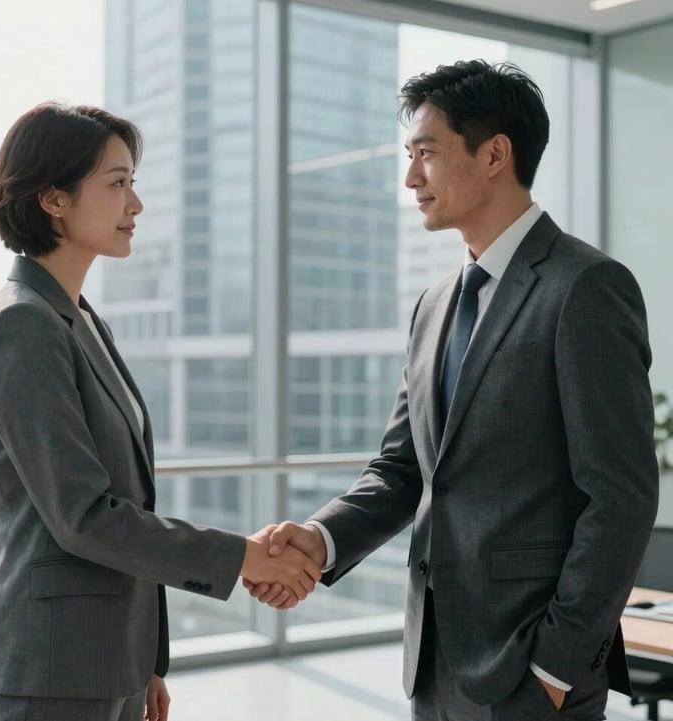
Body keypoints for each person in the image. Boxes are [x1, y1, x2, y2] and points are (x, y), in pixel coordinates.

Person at [246, 60, 659, 720]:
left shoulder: (585, 288)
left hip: (531, 670)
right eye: (409, 157)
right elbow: (402, 469)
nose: (411, 178)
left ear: (494, 154)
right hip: (433, 661)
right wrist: (319, 540)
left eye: (427, 154)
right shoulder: (434, 304)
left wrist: (556, 666)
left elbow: (621, 496)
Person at [0, 102, 321, 721]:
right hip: (46, 670)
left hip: (106, 663)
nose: (137, 204)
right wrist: (244, 556)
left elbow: (130, 502)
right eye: (118, 183)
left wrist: (146, 659)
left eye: (133, 182)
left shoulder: (78, 319)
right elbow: (84, 516)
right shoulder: (23, 324)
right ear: (53, 198)